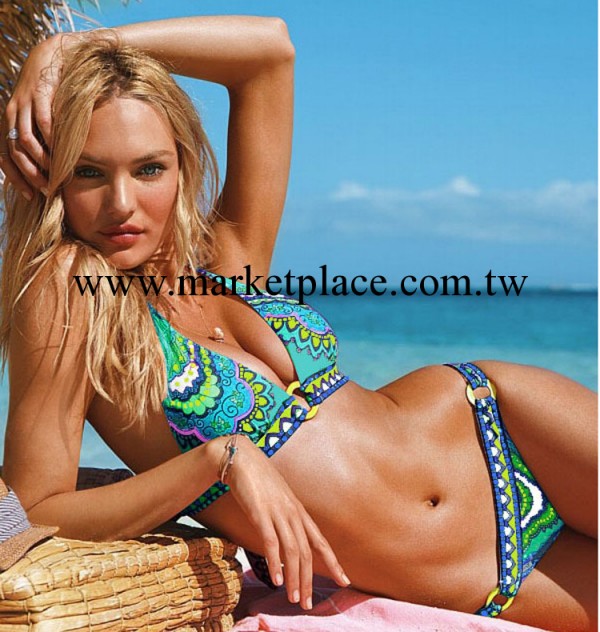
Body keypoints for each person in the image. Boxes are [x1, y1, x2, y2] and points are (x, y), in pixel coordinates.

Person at [0, 16, 596, 632]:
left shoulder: (226, 257)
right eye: (89, 172)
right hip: (469, 575)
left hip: (496, 421)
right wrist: (217, 460)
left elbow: (269, 51)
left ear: (182, 166)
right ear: (48, 175)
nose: (121, 203)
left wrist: (71, 46)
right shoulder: (67, 293)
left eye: (149, 168)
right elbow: (38, 509)